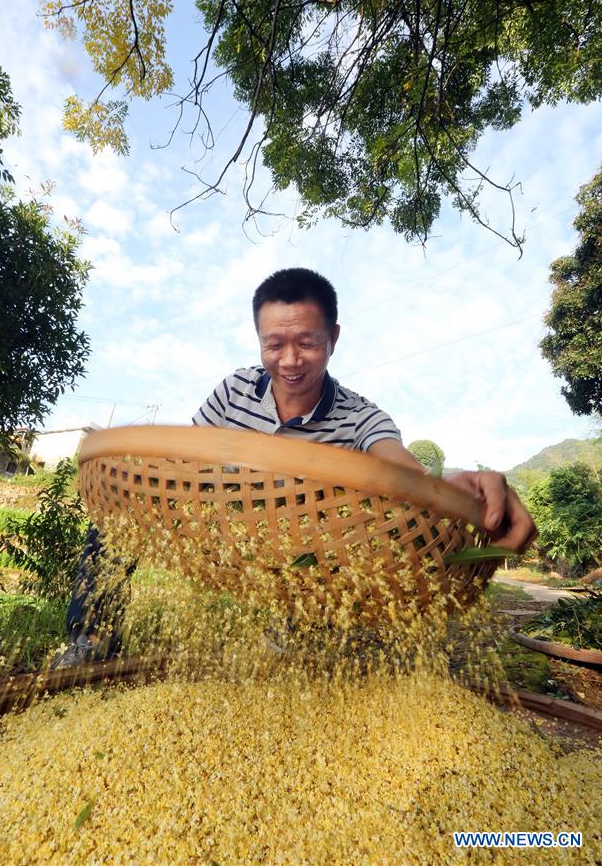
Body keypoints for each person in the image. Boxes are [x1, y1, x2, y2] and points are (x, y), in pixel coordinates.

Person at [52, 268, 536, 667]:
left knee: (306, 629)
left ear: (334, 339)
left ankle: (295, 646)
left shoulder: (359, 418)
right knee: (113, 524)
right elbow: (184, 462)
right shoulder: (235, 391)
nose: (289, 361)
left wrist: (456, 484)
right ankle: (91, 641)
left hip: (300, 560)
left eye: (306, 343)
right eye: (274, 345)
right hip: (224, 531)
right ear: (259, 340)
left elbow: (405, 475)